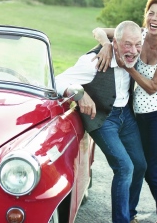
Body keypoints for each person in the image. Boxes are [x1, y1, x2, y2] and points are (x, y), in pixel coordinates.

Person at [93, 0, 157, 223]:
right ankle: (130, 214)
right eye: (150, 12)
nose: (153, 18)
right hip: (136, 113)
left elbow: (152, 87)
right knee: (138, 165)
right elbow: (99, 30)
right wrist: (105, 45)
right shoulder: (138, 35)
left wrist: (126, 66)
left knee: (155, 171)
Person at [55, 20, 147, 223]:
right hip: (104, 118)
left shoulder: (133, 55)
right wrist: (79, 94)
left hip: (126, 117)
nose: (133, 51)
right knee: (124, 167)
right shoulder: (93, 61)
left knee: (140, 165)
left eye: (137, 44)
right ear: (114, 43)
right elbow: (57, 79)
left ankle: (129, 213)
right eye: (127, 45)